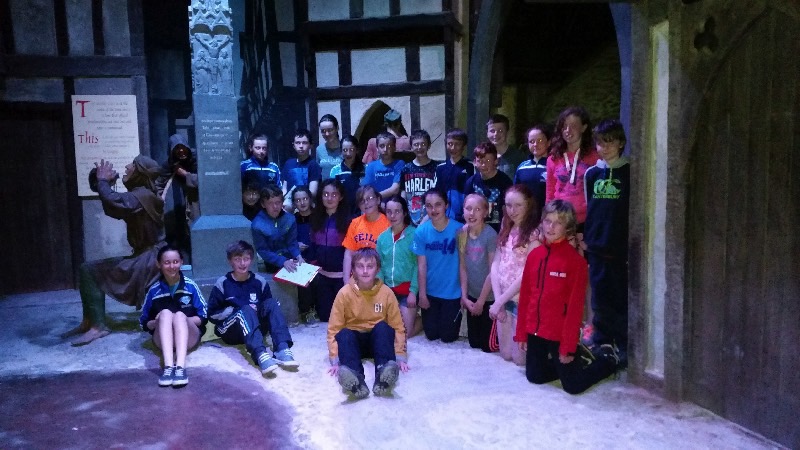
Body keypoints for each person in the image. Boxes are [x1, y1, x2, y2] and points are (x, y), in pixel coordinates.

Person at [515, 200, 620, 394]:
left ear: (568, 227)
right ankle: (576, 361)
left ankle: (606, 362)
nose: (551, 227)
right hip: (535, 331)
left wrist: (568, 346)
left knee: (572, 386)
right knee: (534, 376)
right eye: (547, 221)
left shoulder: (575, 263)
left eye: (558, 223)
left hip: (559, 334)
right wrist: (522, 332)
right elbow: (526, 298)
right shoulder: (535, 256)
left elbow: (575, 309)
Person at [62, 156, 166, 346]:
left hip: (149, 260)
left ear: (141, 172)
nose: (127, 166)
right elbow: (114, 207)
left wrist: (103, 181)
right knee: (88, 270)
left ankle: (98, 326)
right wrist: (103, 183)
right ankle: (89, 322)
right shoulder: (142, 194)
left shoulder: (143, 195)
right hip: (146, 256)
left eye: (132, 165)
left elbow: (114, 201)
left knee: (89, 270)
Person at [327, 248, 409, 399]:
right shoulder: (344, 293)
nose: (365, 271)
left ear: (377, 269)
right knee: (344, 334)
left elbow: (398, 326)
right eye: (360, 266)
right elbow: (334, 329)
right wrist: (335, 359)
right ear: (353, 270)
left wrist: (400, 356)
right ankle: (355, 379)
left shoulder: (386, 293)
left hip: (378, 342)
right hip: (354, 343)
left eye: (370, 266)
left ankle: (383, 374)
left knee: (384, 328)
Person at [207, 241, 298, 375]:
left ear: (251, 260)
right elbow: (212, 314)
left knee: (272, 303)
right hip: (231, 331)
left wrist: (255, 311)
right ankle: (260, 353)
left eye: (246, 259)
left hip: (255, 328)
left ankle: (281, 348)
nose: (242, 263)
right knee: (245, 309)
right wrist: (236, 310)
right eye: (237, 259)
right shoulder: (223, 283)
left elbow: (267, 308)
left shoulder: (259, 281)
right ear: (230, 261)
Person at [582, 119, 631, 366]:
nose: (605, 148)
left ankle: (622, 343)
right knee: (599, 297)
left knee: (619, 297)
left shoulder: (629, 172)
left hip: (619, 247)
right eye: (601, 143)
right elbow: (590, 208)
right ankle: (601, 339)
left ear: (621, 143)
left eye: (610, 142)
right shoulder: (592, 174)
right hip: (597, 247)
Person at [488, 185, 541, 365]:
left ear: (529, 205)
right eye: (509, 205)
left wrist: (500, 301)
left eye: (518, 205)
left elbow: (527, 274)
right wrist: (498, 301)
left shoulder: (534, 234)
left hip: (521, 300)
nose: (513, 210)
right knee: (505, 355)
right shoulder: (505, 226)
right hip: (503, 296)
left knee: (520, 360)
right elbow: (496, 263)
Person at [139, 245, 207, 387]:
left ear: (181, 262)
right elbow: (143, 322)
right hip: (163, 340)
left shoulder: (190, 286)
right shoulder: (153, 291)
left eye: (175, 262)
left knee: (179, 316)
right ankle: (168, 367)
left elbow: (203, 316)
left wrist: (180, 320)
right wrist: (157, 321)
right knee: (165, 314)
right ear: (159, 264)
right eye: (167, 262)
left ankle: (180, 368)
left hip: (189, 337)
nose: (172, 266)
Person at [412, 188, 463, 342]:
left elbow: (464, 264)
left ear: (446, 205)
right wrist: (422, 295)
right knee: (431, 335)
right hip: (431, 292)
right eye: (429, 206)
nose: (433, 210)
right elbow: (421, 266)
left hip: (452, 293)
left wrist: (464, 294)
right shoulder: (421, 231)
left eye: (438, 204)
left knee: (448, 337)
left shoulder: (460, 229)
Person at [251, 184, 302, 324]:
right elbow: (263, 250)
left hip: (291, 258)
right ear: (263, 204)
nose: (275, 207)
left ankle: (305, 311)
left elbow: (292, 243)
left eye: (278, 202)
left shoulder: (289, 219)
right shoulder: (257, 224)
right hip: (273, 262)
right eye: (270, 203)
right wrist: (282, 261)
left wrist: (298, 256)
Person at [376, 195, 421, 341]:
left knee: (405, 334)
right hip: (388, 291)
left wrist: (413, 292)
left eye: (397, 211)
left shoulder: (414, 235)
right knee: (380, 328)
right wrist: (380, 290)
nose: (393, 215)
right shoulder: (382, 238)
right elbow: (379, 267)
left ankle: (422, 319)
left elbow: (418, 265)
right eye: (389, 212)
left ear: (404, 213)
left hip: (407, 291)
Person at [546, 106, 599, 228]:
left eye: (573, 126)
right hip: (559, 221)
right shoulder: (553, 158)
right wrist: (548, 218)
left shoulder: (595, 157)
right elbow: (549, 192)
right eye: (564, 126)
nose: (568, 130)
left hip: (587, 220)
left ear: (584, 128)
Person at [307, 179, 352, 322]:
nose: (329, 198)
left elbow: (351, 251)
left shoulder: (349, 221)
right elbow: (313, 246)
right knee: (325, 317)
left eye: (334, 194)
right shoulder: (316, 218)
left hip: (342, 277)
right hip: (322, 276)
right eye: (325, 194)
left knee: (343, 318)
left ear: (341, 197)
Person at [458, 193, 497, 352]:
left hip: (488, 297)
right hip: (472, 296)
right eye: (468, 208)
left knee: (487, 347)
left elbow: (492, 272)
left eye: (477, 209)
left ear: (486, 212)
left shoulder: (491, 235)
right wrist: (464, 296)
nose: (472, 213)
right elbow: (462, 266)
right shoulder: (461, 233)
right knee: (473, 343)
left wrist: (481, 302)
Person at [157, 134, 199, 253]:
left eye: (182, 147)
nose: (181, 151)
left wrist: (185, 174)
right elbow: (159, 183)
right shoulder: (170, 163)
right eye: (177, 148)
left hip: (198, 198)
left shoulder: (197, 157)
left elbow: (206, 180)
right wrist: (156, 200)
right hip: (181, 198)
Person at [342, 185, 390, 282]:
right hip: (358, 278)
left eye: (370, 198)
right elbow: (348, 254)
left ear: (378, 200)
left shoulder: (388, 224)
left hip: (380, 279)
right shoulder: (355, 223)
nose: (366, 203)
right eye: (362, 201)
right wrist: (346, 281)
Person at [464, 142, 513, 232]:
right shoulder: (471, 182)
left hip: (498, 230)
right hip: (477, 230)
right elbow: (466, 208)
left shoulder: (505, 182)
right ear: (474, 162)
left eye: (488, 161)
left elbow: (508, 209)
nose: (484, 165)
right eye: (480, 161)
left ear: (496, 161)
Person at [435, 128, 474, 222]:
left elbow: (474, 193)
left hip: (464, 219)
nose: (453, 148)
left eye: (457, 144)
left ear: (464, 146)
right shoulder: (440, 168)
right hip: (443, 218)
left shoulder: (471, 166)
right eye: (450, 144)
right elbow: (436, 193)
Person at [401, 129, 439, 225]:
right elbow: (403, 192)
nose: (419, 147)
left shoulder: (437, 168)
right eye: (416, 144)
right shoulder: (406, 168)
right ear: (411, 147)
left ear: (429, 145)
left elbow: (440, 195)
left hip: (432, 218)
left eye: (423, 144)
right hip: (410, 218)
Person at [514, 124, 552, 215]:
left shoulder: (554, 165)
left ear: (548, 142)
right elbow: (516, 192)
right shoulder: (522, 167)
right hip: (525, 215)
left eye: (540, 140)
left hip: (547, 215)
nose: (535, 144)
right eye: (531, 141)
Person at [293, 186, 316, 324]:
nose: (302, 203)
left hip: (319, 259)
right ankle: (306, 311)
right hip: (301, 260)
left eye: (305, 199)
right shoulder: (292, 220)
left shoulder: (319, 216)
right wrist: (296, 245)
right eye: (298, 200)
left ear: (310, 199)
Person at [282, 129, 321, 211]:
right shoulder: (288, 163)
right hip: (289, 205)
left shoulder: (313, 165)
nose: (301, 146)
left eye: (304, 143)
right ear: (293, 145)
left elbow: (312, 192)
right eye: (298, 143)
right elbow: (284, 188)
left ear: (310, 145)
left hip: (306, 205)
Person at [362, 131, 404, 202]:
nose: (385, 150)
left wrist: (375, 198)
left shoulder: (399, 164)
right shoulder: (371, 166)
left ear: (394, 147)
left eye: (389, 146)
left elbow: (395, 189)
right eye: (382, 146)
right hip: (375, 205)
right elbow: (366, 189)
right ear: (377, 148)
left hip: (393, 204)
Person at [329, 134, 365, 215]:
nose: (348, 153)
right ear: (341, 151)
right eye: (345, 150)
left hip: (362, 214)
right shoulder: (335, 171)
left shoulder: (365, 169)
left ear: (357, 150)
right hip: (341, 214)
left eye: (351, 149)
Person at [487, 114, 526, 179]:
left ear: (507, 132)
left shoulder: (518, 157)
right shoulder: (483, 156)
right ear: (487, 133)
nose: (496, 134)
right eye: (492, 131)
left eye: (500, 131)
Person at [316, 114, 342, 180]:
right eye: (323, 131)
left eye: (330, 130)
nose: (327, 134)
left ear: (337, 128)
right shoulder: (319, 149)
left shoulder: (345, 148)